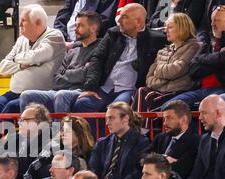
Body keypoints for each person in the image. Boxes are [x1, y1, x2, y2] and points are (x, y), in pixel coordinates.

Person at [69, 3, 166, 134]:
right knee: (83, 103)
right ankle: (94, 143)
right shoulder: (113, 34)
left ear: (138, 22)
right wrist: (90, 87)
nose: (119, 20)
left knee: (117, 111)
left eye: (124, 17)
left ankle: (111, 144)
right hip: (106, 87)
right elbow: (97, 59)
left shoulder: (156, 40)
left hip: (129, 89)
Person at [0, 4, 65, 113]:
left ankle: (4, 130)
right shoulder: (21, 40)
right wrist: (20, 65)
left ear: (37, 23)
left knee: (10, 108)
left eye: (23, 20)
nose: (19, 24)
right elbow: (3, 67)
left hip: (39, 95)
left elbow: (36, 56)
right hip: (15, 92)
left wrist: (17, 58)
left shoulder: (54, 36)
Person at [18, 10, 102, 114]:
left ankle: (60, 130)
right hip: (58, 90)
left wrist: (66, 74)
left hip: (79, 91)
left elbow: (85, 74)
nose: (75, 29)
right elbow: (56, 79)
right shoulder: (72, 51)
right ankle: (29, 129)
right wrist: (74, 74)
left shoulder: (99, 49)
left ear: (93, 28)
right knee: (26, 95)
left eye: (80, 26)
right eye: (75, 25)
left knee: (61, 95)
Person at [162, 5, 225, 111]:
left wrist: (204, 60)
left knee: (213, 106)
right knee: (168, 107)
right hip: (201, 89)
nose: (212, 24)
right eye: (212, 20)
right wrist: (217, 60)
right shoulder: (208, 40)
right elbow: (192, 69)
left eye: (217, 20)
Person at [133, 13, 202, 116]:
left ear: (182, 27)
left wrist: (158, 72)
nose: (165, 30)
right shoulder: (162, 51)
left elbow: (178, 70)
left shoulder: (194, 46)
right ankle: (142, 128)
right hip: (160, 91)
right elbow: (149, 78)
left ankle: (140, 129)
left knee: (145, 96)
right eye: (165, 27)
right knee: (141, 92)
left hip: (179, 91)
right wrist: (165, 79)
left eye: (170, 27)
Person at [88, 102, 149, 179]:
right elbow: (93, 169)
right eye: (106, 118)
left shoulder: (142, 142)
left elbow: (138, 173)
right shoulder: (102, 143)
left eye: (111, 118)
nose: (107, 123)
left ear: (125, 119)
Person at [147, 100, 199, 179]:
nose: (164, 123)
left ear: (183, 120)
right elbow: (141, 157)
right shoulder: (160, 138)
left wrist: (153, 161)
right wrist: (164, 158)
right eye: (164, 119)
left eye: (169, 118)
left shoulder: (195, 141)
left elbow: (183, 169)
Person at [54, 0, 118, 41]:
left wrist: (74, 44)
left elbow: (102, 24)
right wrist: (61, 38)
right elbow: (61, 17)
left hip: (89, 45)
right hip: (66, 40)